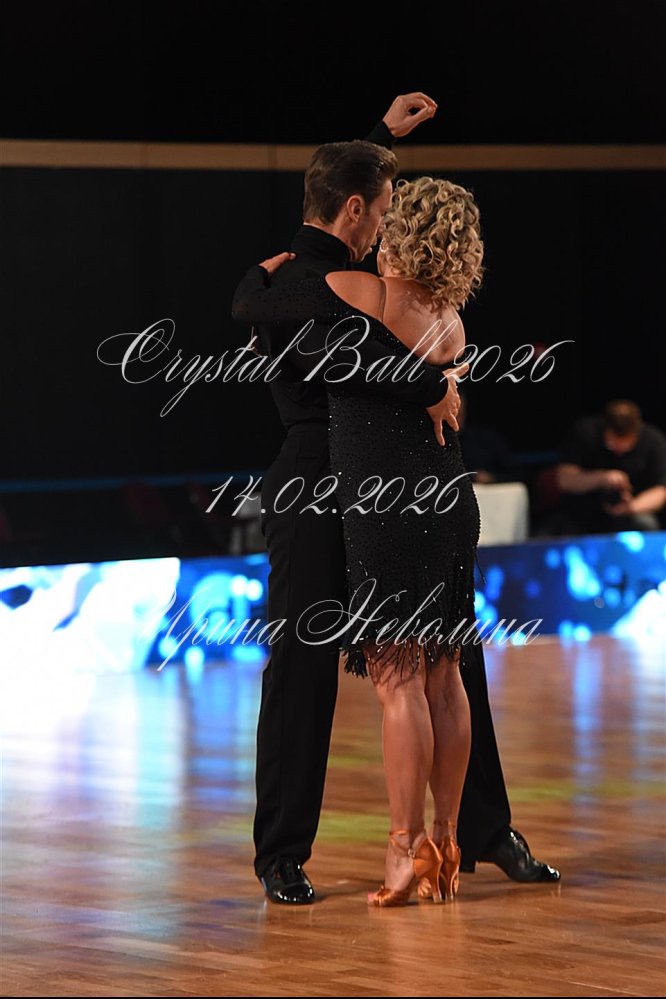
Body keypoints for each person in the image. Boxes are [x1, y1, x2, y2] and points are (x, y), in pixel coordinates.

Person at [232, 101, 559, 904]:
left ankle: (481, 829)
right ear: (355, 210)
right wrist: (431, 384)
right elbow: (347, 351)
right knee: (305, 662)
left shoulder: (332, 277)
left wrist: (377, 141)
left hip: (396, 474)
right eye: (380, 210)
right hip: (319, 480)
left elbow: (339, 209)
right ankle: (282, 851)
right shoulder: (299, 283)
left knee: (450, 659)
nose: (387, 224)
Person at [556, 400, 666, 534]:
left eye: (625, 444)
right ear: (605, 428)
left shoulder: (654, 441)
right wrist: (602, 478)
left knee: (646, 524)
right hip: (584, 512)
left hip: (632, 512)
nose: (619, 449)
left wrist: (631, 507)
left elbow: (661, 491)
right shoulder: (585, 433)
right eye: (612, 444)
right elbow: (565, 480)